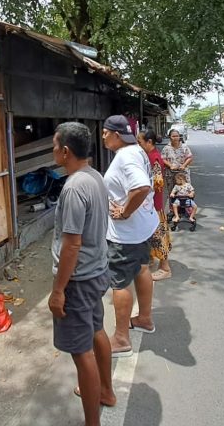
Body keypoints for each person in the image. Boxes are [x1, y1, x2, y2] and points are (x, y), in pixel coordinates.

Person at [48, 122, 115, 425]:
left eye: (53, 146)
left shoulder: (74, 188)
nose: (52, 151)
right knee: (97, 330)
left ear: (65, 151)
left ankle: (92, 421)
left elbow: (71, 245)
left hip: (78, 281)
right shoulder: (95, 177)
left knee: (81, 351)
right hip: (97, 272)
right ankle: (106, 391)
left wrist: (59, 290)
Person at [102, 115, 159, 356]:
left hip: (127, 233)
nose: (103, 136)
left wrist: (125, 212)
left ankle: (121, 338)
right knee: (142, 269)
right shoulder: (136, 150)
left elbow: (142, 186)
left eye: (105, 132)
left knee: (120, 283)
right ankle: (144, 319)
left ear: (116, 135)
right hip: (143, 226)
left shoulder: (125, 157)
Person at [137, 129, 172, 281]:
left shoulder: (154, 157)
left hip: (154, 204)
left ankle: (165, 267)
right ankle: (151, 259)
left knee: (158, 235)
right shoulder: (150, 156)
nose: (138, 146)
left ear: (149, 142)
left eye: (140, 142)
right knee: (150, 234)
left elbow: (157, 183)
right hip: (151, 203)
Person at [161, 129, 193, 197]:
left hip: (183, 173)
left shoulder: (184, 147)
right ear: (170, 137)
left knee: (186, 192)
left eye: (177, 136)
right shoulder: (166, 148)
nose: (175, 138)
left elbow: (190, 157)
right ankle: (173, 207)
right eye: (173, 136)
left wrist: (184, 165)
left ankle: (186, 207)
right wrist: (170, 165)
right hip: (171, 174)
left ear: (179, 137)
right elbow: (163, 159)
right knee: (172, 193)